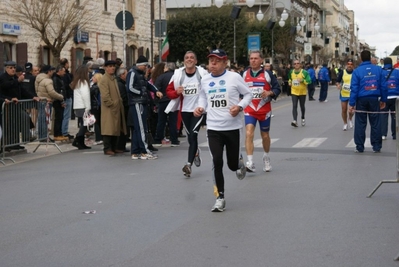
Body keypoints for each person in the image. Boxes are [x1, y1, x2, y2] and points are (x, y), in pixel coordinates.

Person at [193, 49, 252, 212]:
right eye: (211, 60)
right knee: (217, 161)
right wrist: (200, 108)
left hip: (232, 128)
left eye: (217, 60)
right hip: (213, 128)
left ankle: (238, 161)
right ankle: (220, 198)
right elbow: (203, 97)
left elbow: (248, 95)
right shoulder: (204, 79)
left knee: (232, 166)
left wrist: (239, 107)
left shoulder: (234, 77)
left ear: (225, 62)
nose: (213, 63)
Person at [166, 51, 209, 177]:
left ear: (195, 61)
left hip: (198, 110)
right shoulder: (179, 74)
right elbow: (169, 91)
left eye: (192, 58)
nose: (189, 59)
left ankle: (188, 164)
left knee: (193, 135)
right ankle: (195, 152)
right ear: (184, 61)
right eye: (187, 58)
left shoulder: (202, 74)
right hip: (184, 110)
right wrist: (176, 92)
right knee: (191, 137)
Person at [242, 50, 280, 173]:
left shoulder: (268, 74)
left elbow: (277, 88)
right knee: (249, 133)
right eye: (251, 58)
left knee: (265, 136)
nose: (253, 60)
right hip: (250, 109)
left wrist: (270, 92)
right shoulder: (244, 74)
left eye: (256, 58)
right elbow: (238, 89)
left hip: (264, 110)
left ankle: (266, 156)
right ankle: (250, 162)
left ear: (261, 60)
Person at [349, 50, 387, 153]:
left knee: (360, 123)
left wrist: (352, 104)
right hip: (374, 99)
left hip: (361, 100)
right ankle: (377, 146)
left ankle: (360, 146)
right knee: (375, 123)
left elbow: (354, 88)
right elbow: (383, 86)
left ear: (361, 58)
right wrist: (383, 99)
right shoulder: (378, 70)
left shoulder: (357, 71)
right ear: (370, 58)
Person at [126, 55, 163, 160]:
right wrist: (141, 93)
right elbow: (130, 88)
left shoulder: (139, 74)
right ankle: (144, 151)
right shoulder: (133, 73)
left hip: (140, 102)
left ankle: (136, 151)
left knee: (139, 128)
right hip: (137, 102)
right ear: (141, 65)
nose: (147, 68)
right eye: (145, 65)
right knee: (142, 128)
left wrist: (156, 91)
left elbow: (147, 85)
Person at [98, 60, 127, 155]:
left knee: (116, 128)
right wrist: (112, 104)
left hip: (116, 107)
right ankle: (107, 148)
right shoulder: (104, 79)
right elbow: (105, 96)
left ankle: (114, 147)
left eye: (113, 66)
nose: (112, 68)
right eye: (110, 66)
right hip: (109, 108)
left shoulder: (113, 78)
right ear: (106, 68)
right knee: (108, 128)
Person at [153, 62, 179, 148]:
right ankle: (174, 139)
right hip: (173, 101)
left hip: (163, 100)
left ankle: (158, 138)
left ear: (167, 68)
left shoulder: (161, 77)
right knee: (173, 121)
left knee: (161, 121)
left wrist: (157, 100)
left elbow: (156, 89)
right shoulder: (176, 77)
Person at [71, 65, 92, 150]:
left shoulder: (77, 82)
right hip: (83, 106)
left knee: (84, 124)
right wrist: (88, 107)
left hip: (78, 106)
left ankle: (79, 141)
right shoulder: (83, 82)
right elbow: (85, 95)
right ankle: (78, 140)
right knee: (85, 124)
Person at [380, 57, 399, 140]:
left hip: (384, 97)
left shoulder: (381, 72)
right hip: (395, 97)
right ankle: (394, 135)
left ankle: (383, 134)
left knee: (384, 116)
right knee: (394, 116)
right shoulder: (397, 72)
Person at [288, 60, 311, 127]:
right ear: (293, 65)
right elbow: (290, 78)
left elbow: (309, 81)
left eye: (298, 63)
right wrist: (289, 82)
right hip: (294, 91)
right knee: (294, 105)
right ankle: (295, 120)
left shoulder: (304, 72)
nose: (296, 65)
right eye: (295, 64)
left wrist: (302, 80)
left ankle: (303, 118)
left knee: (302, 106)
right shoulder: (291, 72)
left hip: (302, 92)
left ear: (300, 65)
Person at [336, 59, 355, 131]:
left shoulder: (355, 73)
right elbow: (337, 81)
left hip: (352, 93)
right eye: (348, 64)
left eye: (351, 64)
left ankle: (350, 118)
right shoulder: (342, 72)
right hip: (344, 93)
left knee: (351, 110)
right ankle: (345, 123)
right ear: (347, 65)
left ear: (353, 66)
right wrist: (338, 85)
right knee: (344, 109)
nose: (349, 65)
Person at [51, 65, 68, 141]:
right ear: (59, 71)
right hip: (57, 100)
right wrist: (61, 101)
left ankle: (60, 133)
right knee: (58, 118)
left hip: (60, 99)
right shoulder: (56, 79)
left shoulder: (59, 78)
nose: (64, 72)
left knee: (61, 117)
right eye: (63, 71)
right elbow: (58, 90)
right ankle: (57, 134)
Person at [60, 58, 74, 140]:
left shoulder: (66, 74)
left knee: (65, 115)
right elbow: (67, 85)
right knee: (66, 115)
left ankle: (64, 131)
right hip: (67, 96)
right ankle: (64, 132)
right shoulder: (66, 75)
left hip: (66, 96)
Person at [90, 73, 103, 145]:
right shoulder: (101, 86)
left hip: (95, 106)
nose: (92, 78)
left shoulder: (94, 87)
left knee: (96, 122)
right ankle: (102, 137)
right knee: (100, 122)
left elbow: (90, 95)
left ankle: (98, 138)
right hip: (100, 106)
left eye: (94, 77)